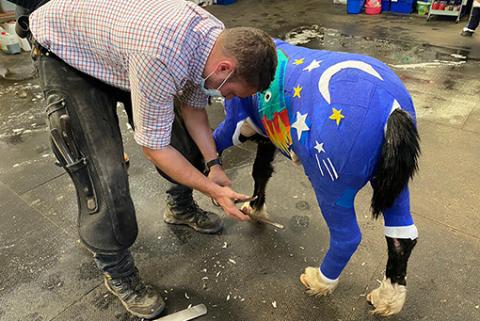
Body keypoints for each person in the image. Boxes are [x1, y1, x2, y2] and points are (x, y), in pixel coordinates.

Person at [25, 0, 277, 318]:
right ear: (225, 68)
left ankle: (180, 207)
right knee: (105, 175)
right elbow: (153, 148)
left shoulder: (213, 42)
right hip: (67, 53)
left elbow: (193, 110)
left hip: (121, 50)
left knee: (187, 146)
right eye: (232, 93)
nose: (227, 99)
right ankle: (117, 271)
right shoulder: (161, 55)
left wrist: (214, 167)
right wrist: (214, 191)